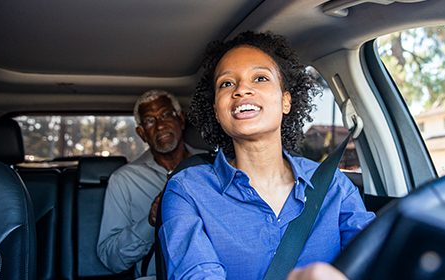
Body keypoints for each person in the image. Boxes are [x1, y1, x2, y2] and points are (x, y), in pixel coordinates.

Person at [159, 31, 375, 280]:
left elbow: (378, 261)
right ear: (217, 111)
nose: (241, 90)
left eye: (260, 78)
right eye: (227, 84)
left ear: (286, 101)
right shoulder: (187, 191)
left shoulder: (333, 185)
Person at [97, 90, 200, 278]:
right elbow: (111, 259)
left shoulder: (212, 166)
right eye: (150, 121)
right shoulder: (124, 180)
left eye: (166, 115)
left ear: (181, 120)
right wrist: (150, 222)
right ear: (141, 133)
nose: (160, 126)